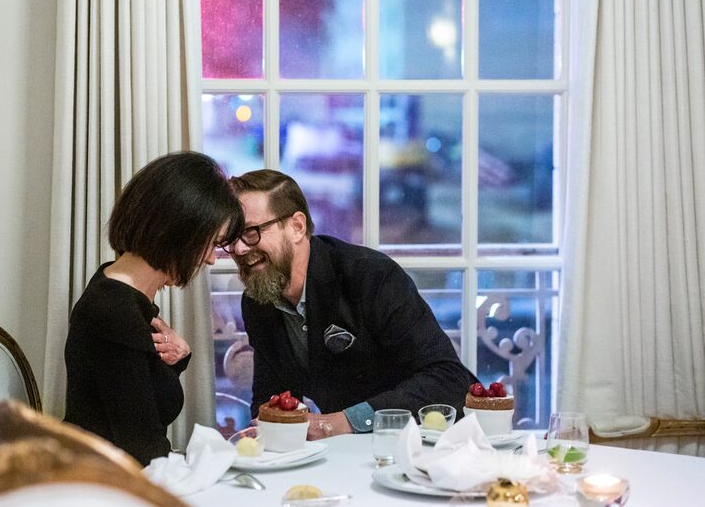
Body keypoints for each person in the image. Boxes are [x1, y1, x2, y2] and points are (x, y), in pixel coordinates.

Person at [226, 169, 477, 440]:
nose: (239, 249)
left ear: (297, 227)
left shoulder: (371, 275)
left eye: (251, 232)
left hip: (431, 446)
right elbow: (270, 396)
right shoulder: (257, 300)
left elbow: (448, 379)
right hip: (349, 454)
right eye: (232, 238)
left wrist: (336, 423)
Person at [63, 152, 243, 464]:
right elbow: (141, 446)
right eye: (211, 243)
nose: (211, 259)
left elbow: (132, 393)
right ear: (179, 233)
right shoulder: (115, 311)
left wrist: (178, 358)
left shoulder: (116, 286)